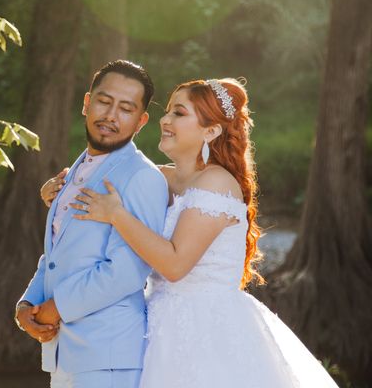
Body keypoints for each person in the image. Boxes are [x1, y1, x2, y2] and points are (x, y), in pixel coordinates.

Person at [43, 78, 338, 387]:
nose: (166, 120)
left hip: (206, 330)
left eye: (179, 113)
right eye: (168, 111)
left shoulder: (217, 183)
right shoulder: (159, 177)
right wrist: (59, 191)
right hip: (157, 325)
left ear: (210, 131)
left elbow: (175, 265)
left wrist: (116, 214)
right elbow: (102, 179)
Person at [14, 60, 169, 388]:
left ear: (141, 121)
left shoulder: (142, 177)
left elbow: (128, 270)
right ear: (87, 103)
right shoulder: (75, 171)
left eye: (126, 108)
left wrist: (56, 307)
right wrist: (27, 304)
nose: (111, 115)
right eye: (104, 101)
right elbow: (58, 254)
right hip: (65, 354)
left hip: (109, 358)